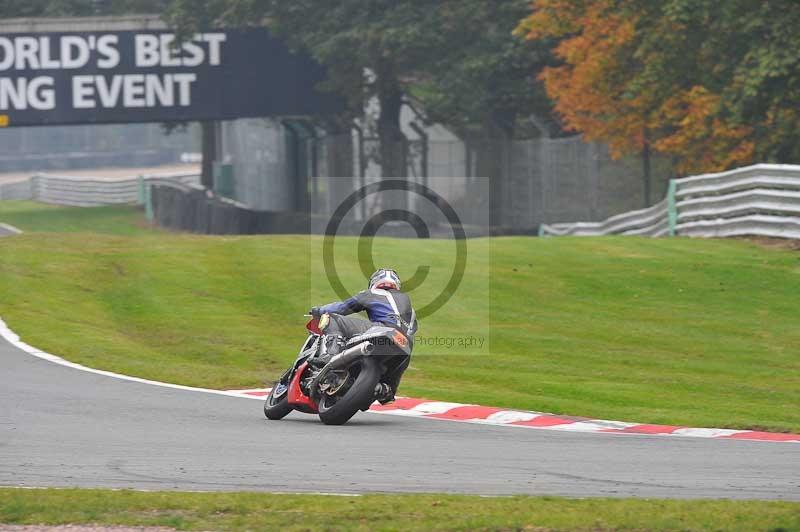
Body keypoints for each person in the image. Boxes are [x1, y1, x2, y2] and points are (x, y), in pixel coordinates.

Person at [310, 268, 417, 404]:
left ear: (375, 281)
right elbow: (412, 330)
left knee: (331, 318)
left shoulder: (372, 293)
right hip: (404, 346)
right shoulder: (410, 308)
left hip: (383, 330)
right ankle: (387, 390)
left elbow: (342, 308)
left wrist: (318, 310)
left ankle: (330, 355)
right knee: (403, 357)